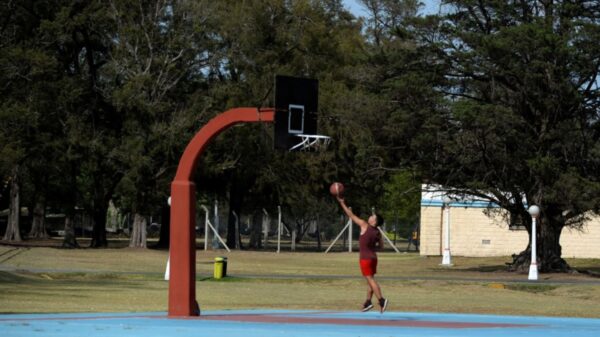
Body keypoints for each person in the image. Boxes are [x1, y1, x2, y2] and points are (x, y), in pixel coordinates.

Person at [336, 196, 388, 313]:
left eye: (372, 216)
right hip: (374, 258)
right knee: (370, 280)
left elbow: (351, 215)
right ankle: (368, 302)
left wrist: (342, 203)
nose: (370, 216)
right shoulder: (377, 232)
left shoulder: (364, 225)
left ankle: (381, 300)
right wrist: (371, 247)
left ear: (374, 221)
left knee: (370, 280)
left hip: (365, 259)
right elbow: (381, 247)